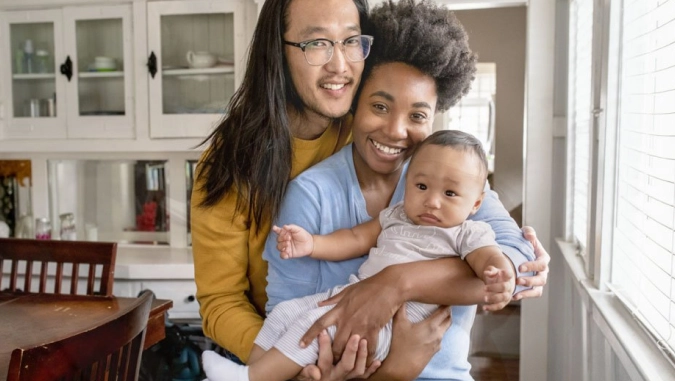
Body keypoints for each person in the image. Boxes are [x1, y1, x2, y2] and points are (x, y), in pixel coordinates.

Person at [190, 0, 550, 378]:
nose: (339, 65)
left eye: (350, 42)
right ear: (277, 52)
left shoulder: (413, 158)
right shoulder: (237, 165)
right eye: (317, 43)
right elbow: (221, 301)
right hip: (304, 347)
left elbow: (506, 248)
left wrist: (398, 283)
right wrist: (296, 364)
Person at [201, 130, 526, 381]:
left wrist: (499, 272)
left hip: (395, 323)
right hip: (354, 296)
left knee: (319, 331)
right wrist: (311, 244)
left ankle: (252, 378)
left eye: (450, 193)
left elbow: (488, 257)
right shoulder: (398, 215)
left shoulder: (467, 232)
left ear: (476, 204)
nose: (433, 202)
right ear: (408, 181)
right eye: (422, 186)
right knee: (287, 312)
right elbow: (355, 238)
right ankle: (253, 371)